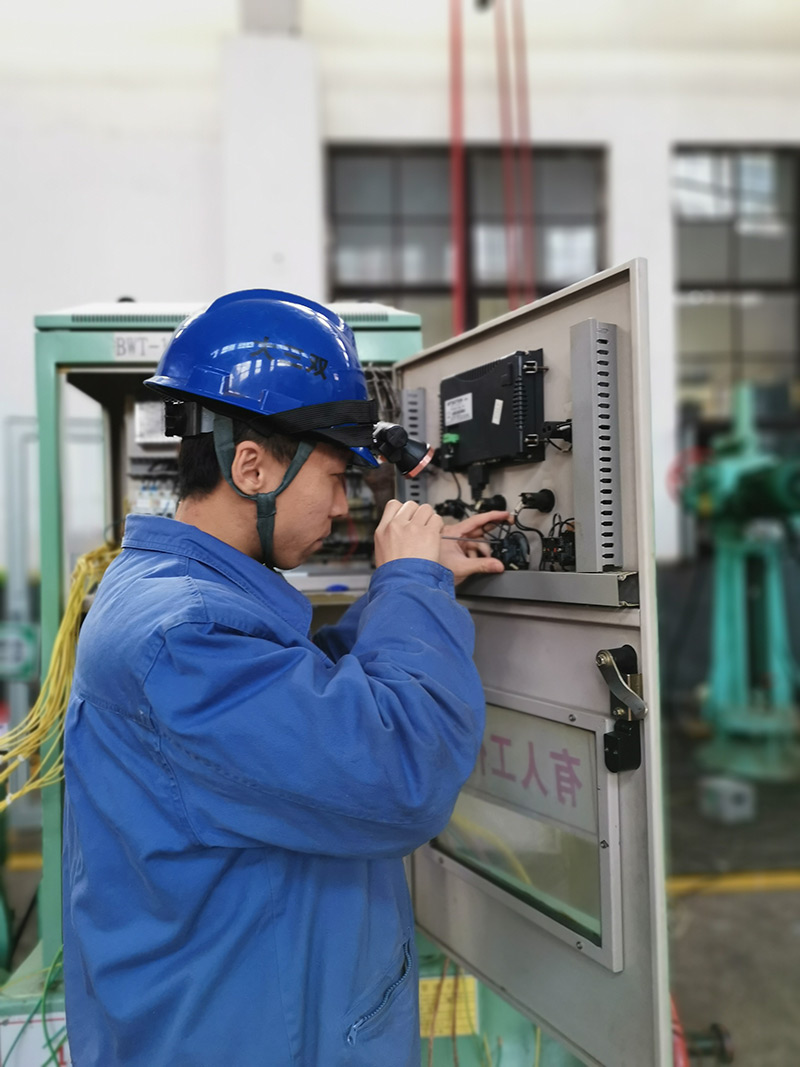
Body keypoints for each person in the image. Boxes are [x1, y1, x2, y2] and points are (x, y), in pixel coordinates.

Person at [61, 289, 506, 1066]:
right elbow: (403, 774)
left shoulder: (176, 593)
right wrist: (407, 586)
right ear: (252, 466)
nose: (341, 506)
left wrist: (413, 585)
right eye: (334, 476)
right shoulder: (185, 636)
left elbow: (302, 694)